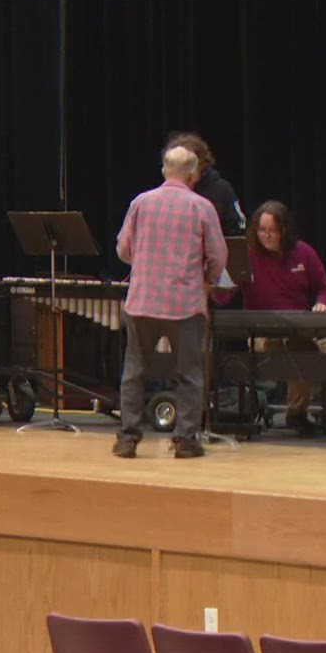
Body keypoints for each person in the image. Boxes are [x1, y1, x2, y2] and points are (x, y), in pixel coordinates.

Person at [113, 144, 227, 459]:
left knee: (134, 371)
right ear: (194, 174)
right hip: (185, 303)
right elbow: (218, 256)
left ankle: (128, 438)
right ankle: (186, 440)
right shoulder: (202, 207)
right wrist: (208, 281)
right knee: (189, 373)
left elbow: (123, 250)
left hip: (143, 301)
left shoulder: (141, 203)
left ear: (164, 170)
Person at [235, 200, 326, 436]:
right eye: (262, 230)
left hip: (304, 327)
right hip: (263, 333)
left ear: (284, 230)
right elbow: (224, 296)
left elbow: (324, 288)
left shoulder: (303, 252)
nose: (266, 236)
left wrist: (322, 304)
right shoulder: (247, 256)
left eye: (272, 231)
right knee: (303, 349)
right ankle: (296, 413)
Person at [165, 132, 245, 235]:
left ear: (201, 163)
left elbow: (237, 227)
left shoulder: (221, 189)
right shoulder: (165, 193)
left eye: (187, 163)